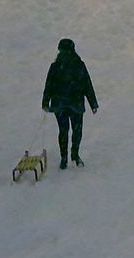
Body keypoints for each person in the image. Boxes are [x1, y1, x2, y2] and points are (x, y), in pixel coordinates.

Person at [41, 38, 99, 170]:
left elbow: (48, 85)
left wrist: (45, 102)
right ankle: (74, 154)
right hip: (76, 104)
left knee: (63, 131)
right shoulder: (79, 65)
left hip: (60, 104)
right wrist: (93, 103)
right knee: (77, 131)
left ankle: (64, 158)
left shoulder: (55, 66)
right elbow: (87, 84)